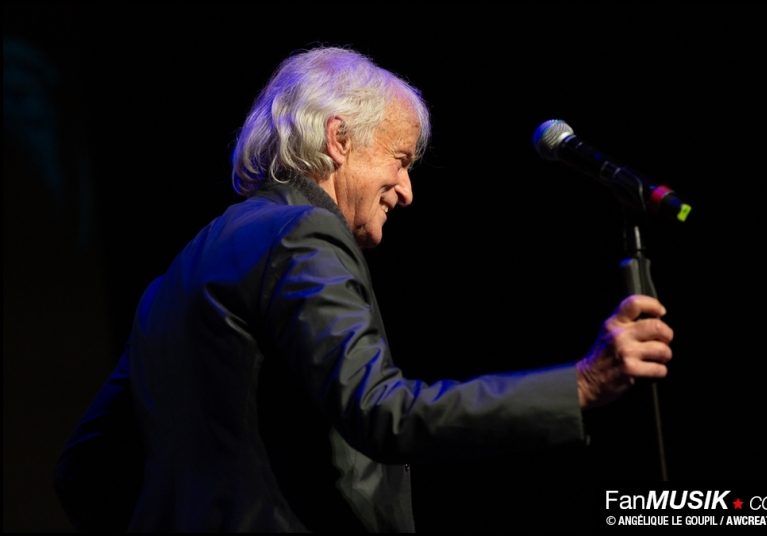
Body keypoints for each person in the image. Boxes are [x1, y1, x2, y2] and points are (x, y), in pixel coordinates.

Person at [54, 47, 673, 532]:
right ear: (338, 139)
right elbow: (385, 414)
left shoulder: (178, 274)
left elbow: (83, 469)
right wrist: (582, 384)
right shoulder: (303, 235)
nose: (406, 190)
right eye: (401, 159)